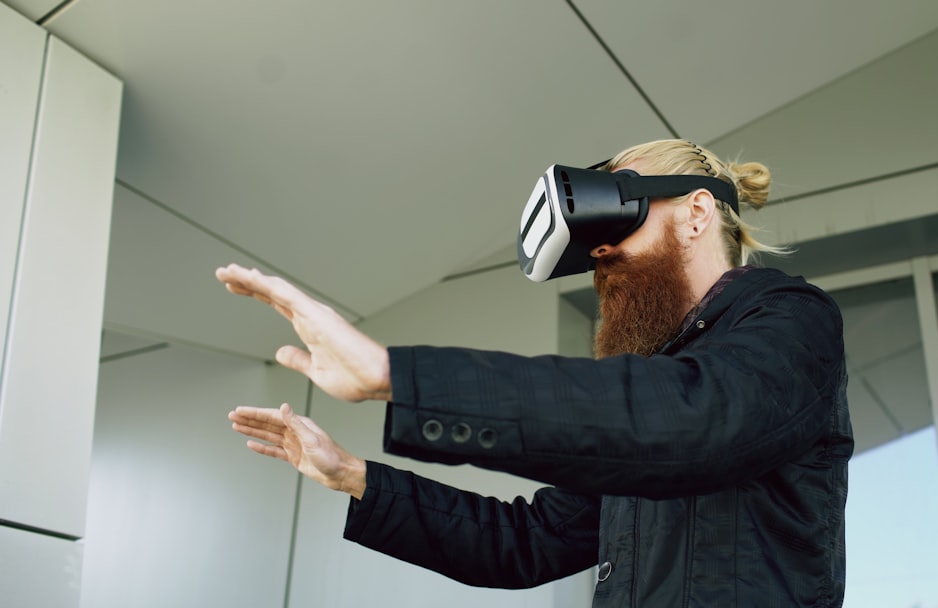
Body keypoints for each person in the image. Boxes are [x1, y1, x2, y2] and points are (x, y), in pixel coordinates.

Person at [221, 139, 853, 607]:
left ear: (696, 214)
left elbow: (698, 420)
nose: (599, 252)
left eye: (616, 219)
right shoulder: (648, 399)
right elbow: (525, 540)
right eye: (590, 242)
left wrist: (394, 376)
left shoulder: (789, 322)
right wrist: (356, 479)